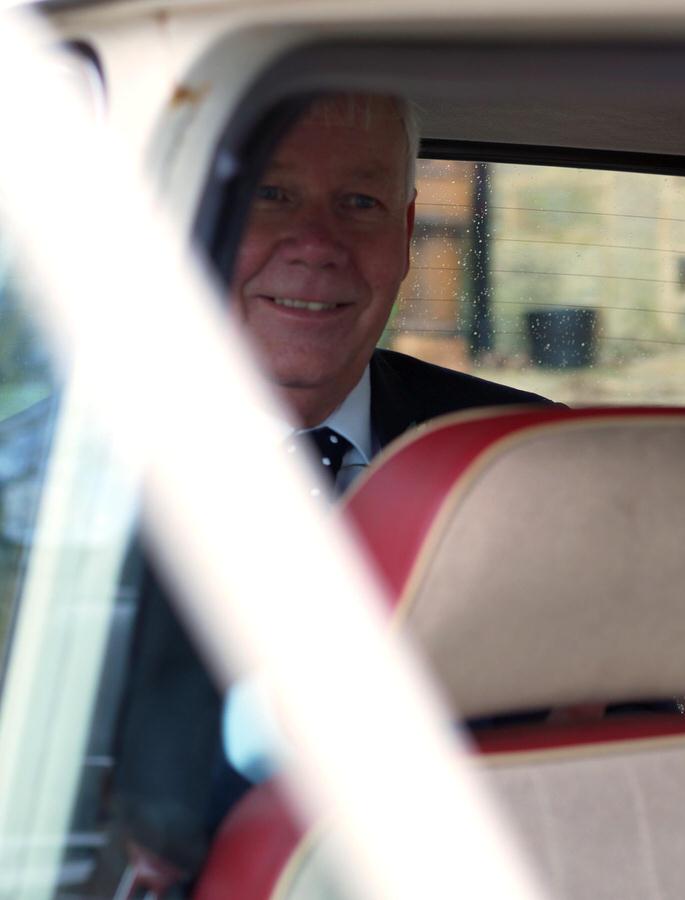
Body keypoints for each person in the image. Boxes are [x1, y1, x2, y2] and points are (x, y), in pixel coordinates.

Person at [109, 92, 557, 892]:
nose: (317, 244)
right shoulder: (67, 470)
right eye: (273, 196)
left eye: (360, 202)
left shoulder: (521, 455)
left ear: (408, 234)